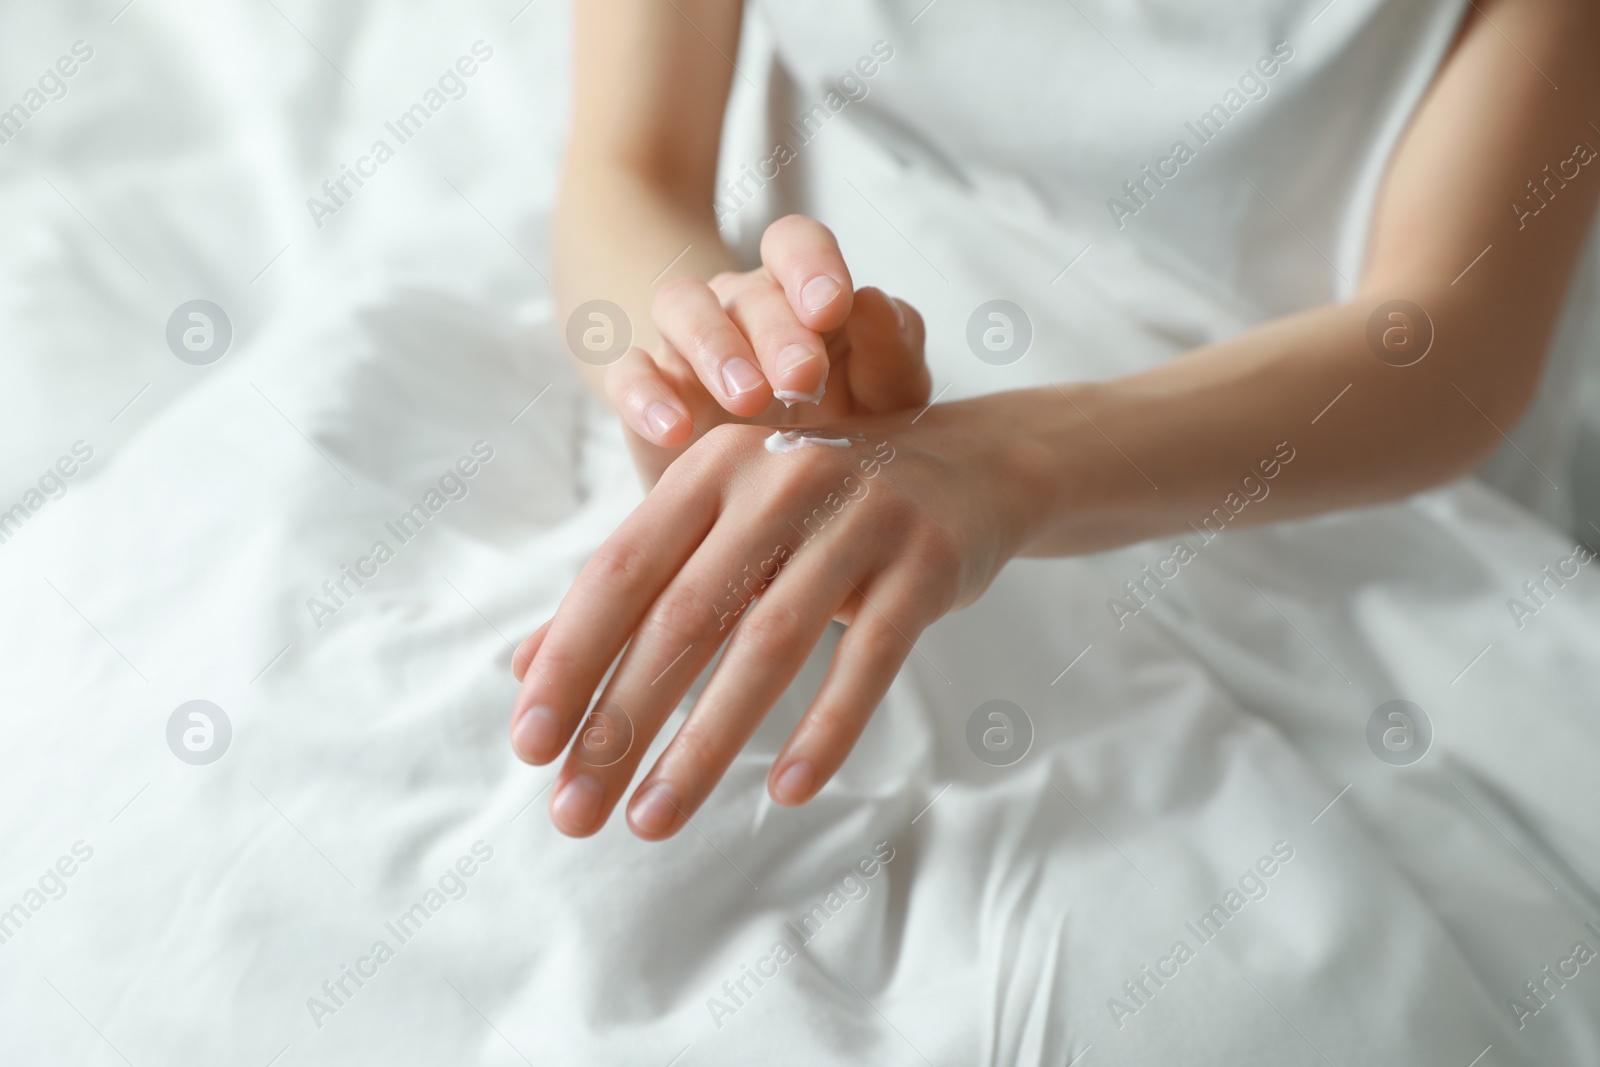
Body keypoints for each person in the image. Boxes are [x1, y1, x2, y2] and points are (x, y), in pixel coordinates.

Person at [507, 0, 1600, 840]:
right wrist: (718, 368)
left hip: (1273, 473)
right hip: (801, 400)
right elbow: (628, 167)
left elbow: (1449, 341)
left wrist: (996, 464)